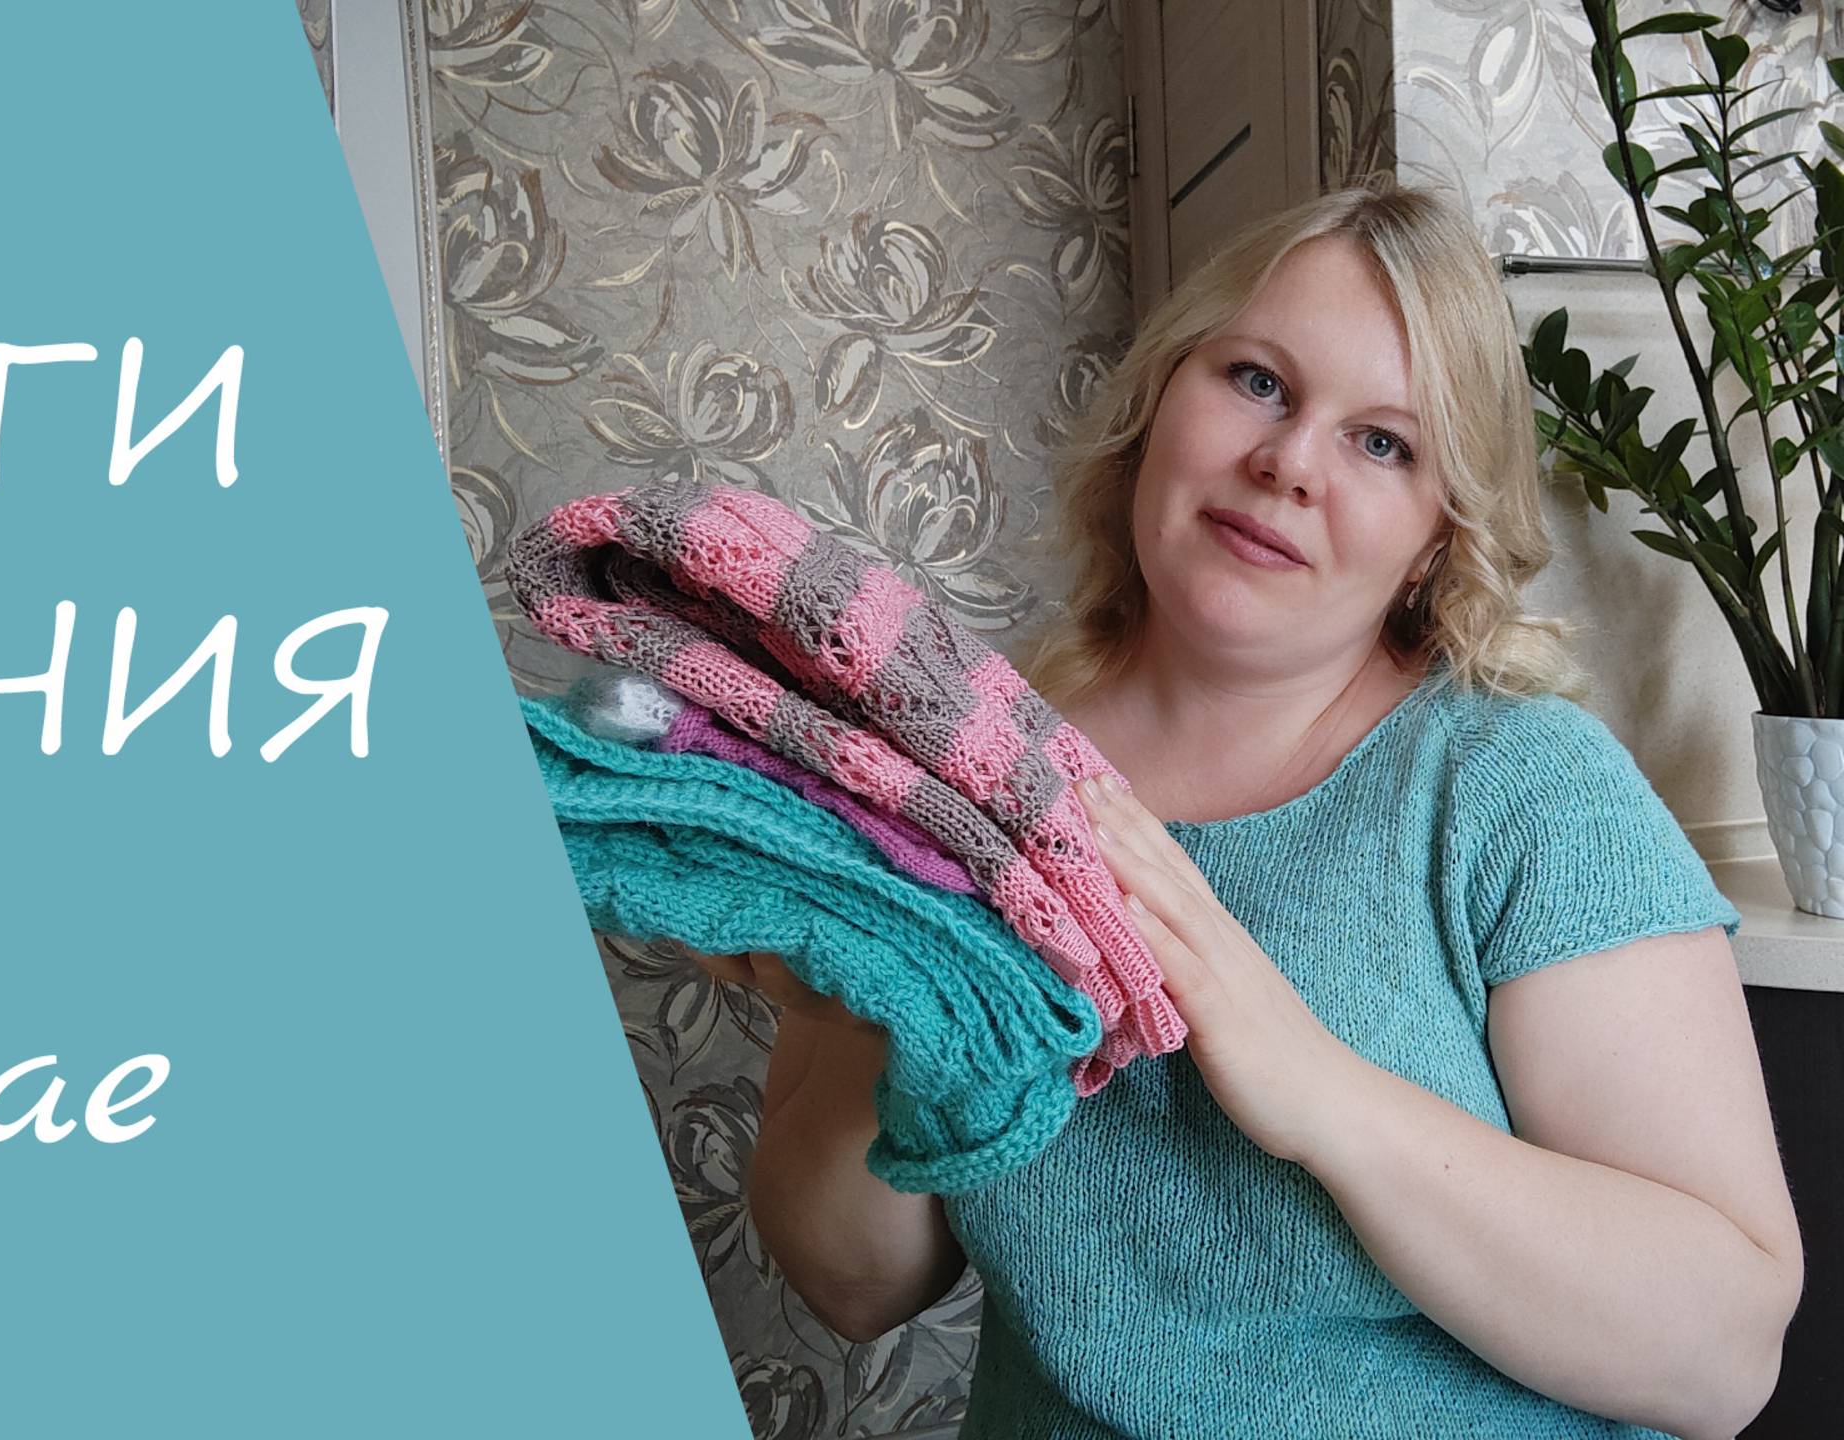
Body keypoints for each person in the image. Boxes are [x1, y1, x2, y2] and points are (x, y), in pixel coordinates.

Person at [683, 181, 1804, 1439]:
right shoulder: (941, 768)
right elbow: (853, 1286)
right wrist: (890, 1005)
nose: (1287, 464)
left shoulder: (1519, 790)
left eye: (1383, 444)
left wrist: (1313, 1087)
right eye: (1258, 381)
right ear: (1158, 398)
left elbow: (1721, 1357)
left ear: (1437, 538)